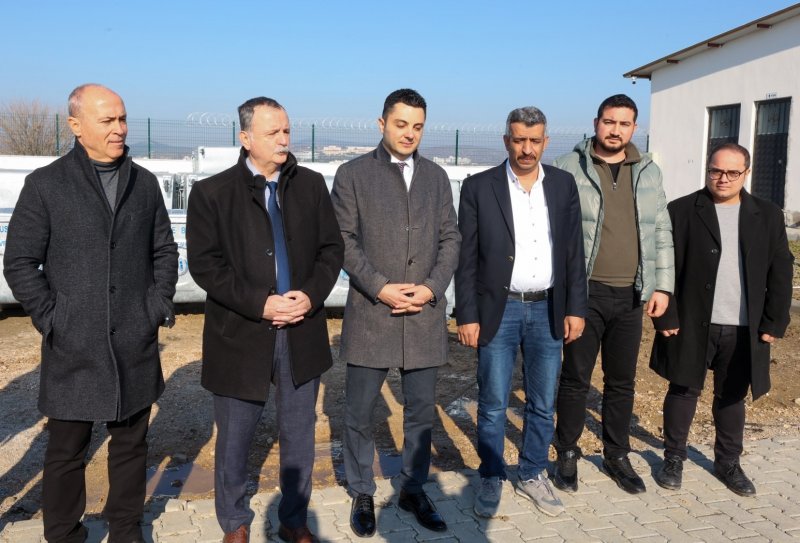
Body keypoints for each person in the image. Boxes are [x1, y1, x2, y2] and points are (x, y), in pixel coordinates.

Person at [3, 84, 178, 543]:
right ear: (76, 126)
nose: (120, 129)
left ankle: (126, 530)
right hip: (73, 344)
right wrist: (52, 318)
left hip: (134, 341)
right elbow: (19, 261)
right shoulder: (46, 184)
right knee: (66, 450)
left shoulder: (144, 183)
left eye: (123, 119)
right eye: (107, 120)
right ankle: (63, 534)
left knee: (131, 446)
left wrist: (155, 305)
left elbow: (164, 249)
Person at [186, 97, 343, 543]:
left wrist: (309, 295)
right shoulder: (212, 193)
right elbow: (206, 266)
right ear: (245, 138)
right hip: (241, 334)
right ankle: (234, 522)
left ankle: (293, 520)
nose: (283, 139)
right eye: (272, 132)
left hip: (301, 330)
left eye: (286, 130)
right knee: (235, 438)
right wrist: (261, 303)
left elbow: (331, 250)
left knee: (299, 435)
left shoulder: (310, 186)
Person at [330, 89, 460, 537]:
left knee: (420, 412)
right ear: (382, 123)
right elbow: (343, 240)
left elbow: (451, 238)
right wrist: (381, 287)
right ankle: (362, 490)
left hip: (423, 314)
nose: (409, 134)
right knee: (360, 412)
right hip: (372, 313)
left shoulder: (436, 177)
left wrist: (431, 288)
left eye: (418, 126)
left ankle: (412, 488)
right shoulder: (352, 175)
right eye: (401, 124)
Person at [455, 106, 587, 517]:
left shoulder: (562, 185)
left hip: (548, 309)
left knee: (542, 402)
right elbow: (466, 257)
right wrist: (466, 314)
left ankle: (532, 473)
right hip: (500, 309)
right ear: (506, 140)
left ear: (546, 142)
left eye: (534, 141)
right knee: (493, 402)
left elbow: (574, 251)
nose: (526, 149)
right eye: (519, 140)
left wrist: (575, 308)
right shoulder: (479, 187)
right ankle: (491, 476)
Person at [650, 143, 793, 496]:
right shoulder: (681, 210)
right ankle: (673, 458)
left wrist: (774, 321)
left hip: (744, 326)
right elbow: (662, 266)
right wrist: (666, 315)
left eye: (732, 172)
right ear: (708, 170)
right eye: (716, 170)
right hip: (691, 322)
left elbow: (781, 270)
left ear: (746, 173)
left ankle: (728, 462)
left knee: (732, 395)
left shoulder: (767, 214)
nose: (723, 178)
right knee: (683, 389)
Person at [552, 94, 674, 495]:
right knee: (575, 378)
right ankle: (566, 452)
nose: (615, 130)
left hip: (631, 295)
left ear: (634, 128)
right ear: (596, 123)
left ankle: (616, 455)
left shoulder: (649, 172)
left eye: (624, 123)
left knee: (621, 382)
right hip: (584, 293)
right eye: (608, 121)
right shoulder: (568, 167)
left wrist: (662, 286)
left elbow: (661, 230)